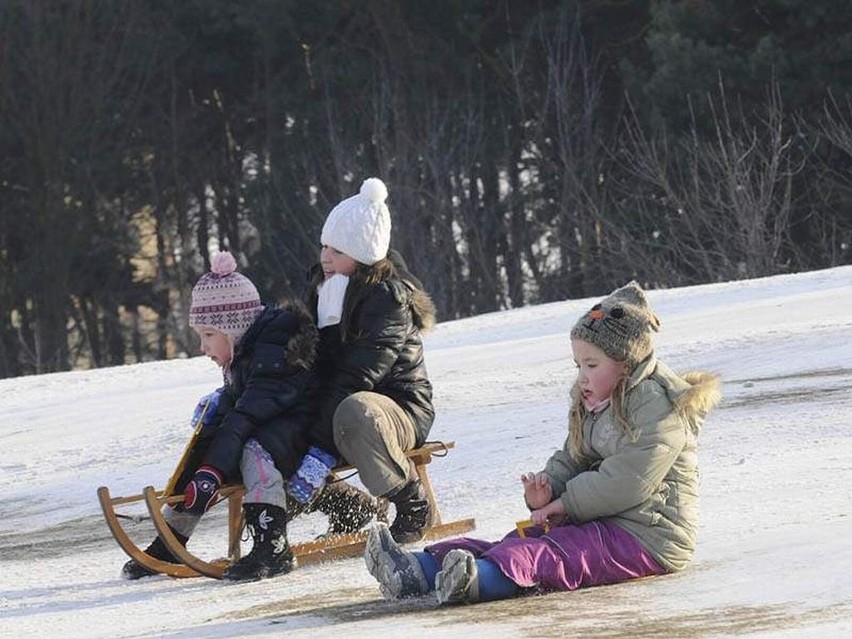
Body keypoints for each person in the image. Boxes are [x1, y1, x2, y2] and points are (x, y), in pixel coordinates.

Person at [364, 281, 722, 604]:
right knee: (523, 539)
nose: (582, 376)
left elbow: (628, 481)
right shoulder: (595, 402)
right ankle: (421, 569)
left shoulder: (659, 407)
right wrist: (548, 490)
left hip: (649, 537)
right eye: (578, 365)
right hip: (603, 519)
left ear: (626, 364)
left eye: (592, 365)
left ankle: (479, 580)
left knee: (558, 553)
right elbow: (573, 455)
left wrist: (565, 505)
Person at [121, 251, 318, 582]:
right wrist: (204, 465)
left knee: (252, 450)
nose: (202, 346)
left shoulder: (273, 352)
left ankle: (272, 546)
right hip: (272, 429)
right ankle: (173, 539)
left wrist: (212, 472)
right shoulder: (246, 354)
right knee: (208, 437)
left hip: (304, 431)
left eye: (209, 335)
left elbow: (244, 418)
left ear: (234, 328)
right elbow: (234, 415)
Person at [294, 177, 437, 544]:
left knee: (355, 410)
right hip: (340, 405)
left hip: (396, 408)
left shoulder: (386, 299)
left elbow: (359, 374)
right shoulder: (325, 289)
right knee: (279, 417)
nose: (325, 256)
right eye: (324, 245)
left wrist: (319, 445)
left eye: (337, 251)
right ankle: (347, 506)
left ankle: (411, 501)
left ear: (362, 256)